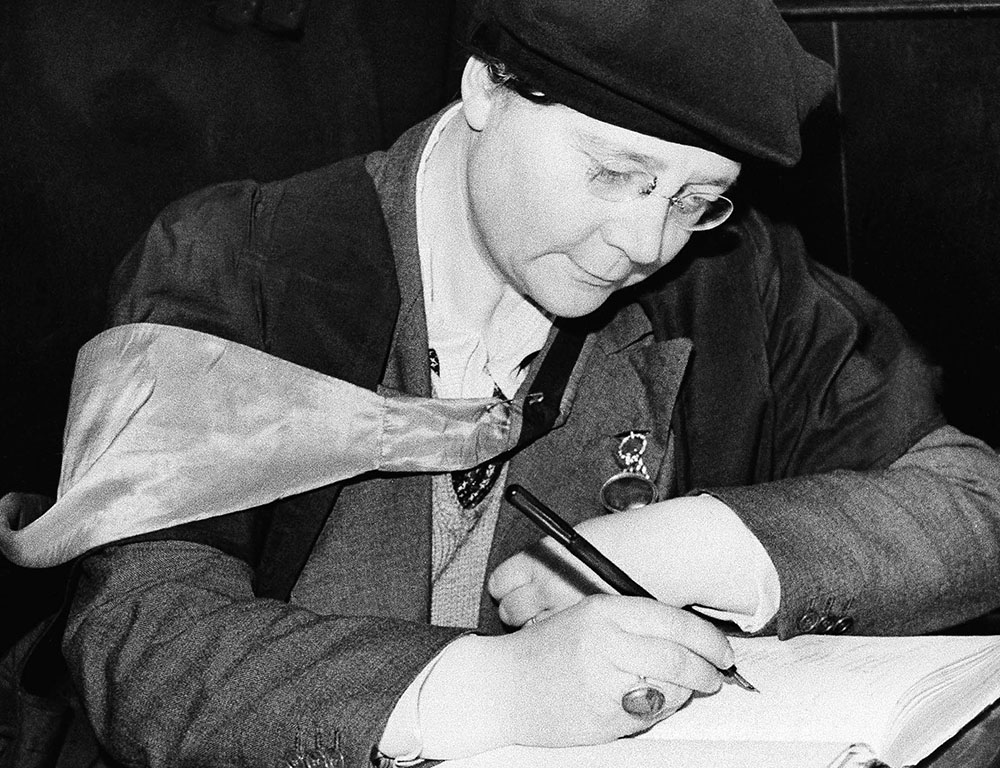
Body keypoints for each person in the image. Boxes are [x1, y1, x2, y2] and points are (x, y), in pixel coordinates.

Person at [3, 0, 1000, 765]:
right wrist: (490, 686)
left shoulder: (740, 282)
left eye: (696, 198)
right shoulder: (240, 265)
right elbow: (145, 640)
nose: (644, 241)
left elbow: (975, 506)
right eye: (614, 172)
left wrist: (702, 544)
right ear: (485, 87)